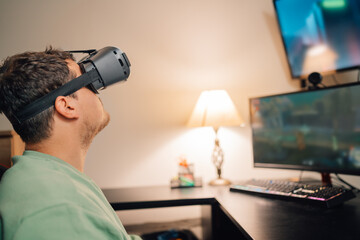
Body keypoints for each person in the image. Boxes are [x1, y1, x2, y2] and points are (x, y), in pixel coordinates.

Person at [0, 47, 141, 240]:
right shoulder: (55, 206)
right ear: (67, 106)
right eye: (89, 82)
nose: (98, 92)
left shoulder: (45, 176)